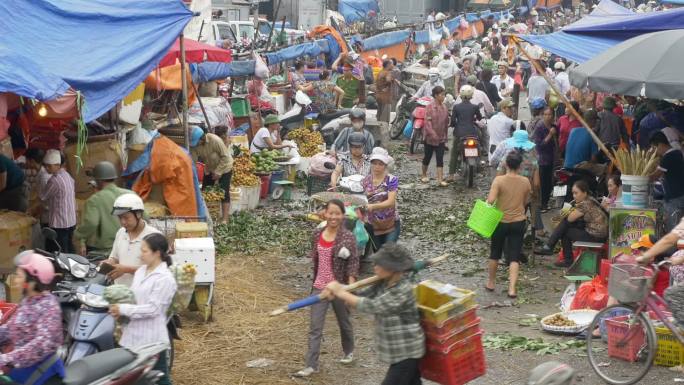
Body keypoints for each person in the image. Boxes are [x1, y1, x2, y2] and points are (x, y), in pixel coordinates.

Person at [322, 244, 425, 385]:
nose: (374, 266)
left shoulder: (404, 289)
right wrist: (339, 290)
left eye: (379, 264)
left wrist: (341, 293)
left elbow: (372, 306)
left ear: (393, 268)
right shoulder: (384, 282)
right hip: (396, 351)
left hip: (407, 352)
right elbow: (361, 295)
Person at [295, 199, 359, 378]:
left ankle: (349, 351)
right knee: (315, 327)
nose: (333, 217)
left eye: (337, 213)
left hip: (338, 287)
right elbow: (316, 260)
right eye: (330, 213)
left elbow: (353, 263)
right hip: (320, 287)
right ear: (325, 213)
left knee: (344, 322)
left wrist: (349, 289)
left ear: (343, 215)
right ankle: (311, 365)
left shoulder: (348, 237)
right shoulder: (317, 234)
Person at [109, 233, 177, 385]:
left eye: (144, 251)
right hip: (132, 337)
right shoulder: (140, 272)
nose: (141, 255)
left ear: (157, 253)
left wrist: (124, 309)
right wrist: (117, 308)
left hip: (152, 340)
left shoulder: (165, 278)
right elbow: (134, 298)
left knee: (160, 378)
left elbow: (154, 309)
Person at [0, 251, 64, 385]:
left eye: (18, 276)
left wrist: (6, 358)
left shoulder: (49, 306)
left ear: (32, 281)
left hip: (43, 375)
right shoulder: (28, 301)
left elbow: (40, 345)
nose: (15, 279)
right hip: (22, 371)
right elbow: (11, 328)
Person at [486, 151, 531, 297]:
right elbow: (526, 202)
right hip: (518, 222)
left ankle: (491, 283)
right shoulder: (525, 182)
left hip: (500, 221)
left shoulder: (498, 181)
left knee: (495, 253)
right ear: (519, 166)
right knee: (514, 256)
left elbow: (491, 200)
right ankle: (512, 289)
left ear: (506, 164)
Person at [537, 180, 608, 267]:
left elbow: (569, 219)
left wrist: (567, 208)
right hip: (598, 234)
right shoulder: (590, 199)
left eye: (576, 193)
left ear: (584, 193)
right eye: (573, 193)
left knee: (565, 229)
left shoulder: (585, 204)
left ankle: (559, 253)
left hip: (596, 236)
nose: (574, 196)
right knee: (565, 226)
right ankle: (550, 246)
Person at [73, 161, 133, 256]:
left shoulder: (94, 200)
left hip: (103, 251)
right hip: (129, 246)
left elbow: (91, 223)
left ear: (98, 180)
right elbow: (144, 217)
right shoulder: (130, 194)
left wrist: (77, 235)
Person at [105, 193, 161, 286]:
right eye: (120, 218)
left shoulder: (154, 236)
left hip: (143, 294)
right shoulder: (121, 232)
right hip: (121, 291)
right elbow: (115, 257)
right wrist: (109, 263)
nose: (123, 222)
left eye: (126, 218)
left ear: (138, 214)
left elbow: (158, 269)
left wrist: (126, 269)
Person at [190, 126, 234, 224]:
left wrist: (218, 172)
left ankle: (225, 218)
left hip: (225, 166)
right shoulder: (195, 146)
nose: (196, 144)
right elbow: (193, 161)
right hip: (209, 167)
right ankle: (208, 216)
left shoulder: (215, 140)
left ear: (203, 138)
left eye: (197, 142)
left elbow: (225, 158)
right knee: (206, 190)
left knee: (223, 192)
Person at [40, 150, 76, 253]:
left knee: (60, 252)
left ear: (57, 165)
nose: (47, 168)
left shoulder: (54, 180)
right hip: (71, 221)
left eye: (49, 166)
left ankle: (62, 269)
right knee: (68, 248)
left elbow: (43, 197)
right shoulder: (67, 175)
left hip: (59, 224)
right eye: (45, 165)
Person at [363, 148, 400, 249]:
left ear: (385, 165)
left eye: (381, 164)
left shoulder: (391, 180)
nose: (377, 167)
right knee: (378, 253)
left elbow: (391, 202)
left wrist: (372, 206)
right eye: (374, 163)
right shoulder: (365, 181)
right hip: (372, 224)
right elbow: (362, 199)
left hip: (391, 223)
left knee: (388, 250)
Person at [650, 131, 684, 231]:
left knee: (673, 228)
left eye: (654, 148)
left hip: (674, 198)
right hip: (680, 195)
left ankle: (674, 246)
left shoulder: (668, 157)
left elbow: (654, 176)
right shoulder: (677, 153)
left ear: (660, 145)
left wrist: (641, 178)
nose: (654, 151)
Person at [448, 85, 484, 181]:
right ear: (471, 96)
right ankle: (479, 168)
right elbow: (480, 118)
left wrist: (453, 125)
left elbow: (453, 121)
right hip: (472, 132)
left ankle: (451, 175)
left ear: (460, 95)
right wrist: (475, 118)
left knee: (454, 153)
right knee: (479, 146)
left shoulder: (456, 107)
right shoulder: (475, 107)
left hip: (459, 133)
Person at [421, 86, 449, 186]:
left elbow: (446, 123)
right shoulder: (429, 107)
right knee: (427, 157)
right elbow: (427, 123)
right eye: (442, 94)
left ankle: (440, 179)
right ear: (436, 96)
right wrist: (433, 134)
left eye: (444, 94)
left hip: (441, 138)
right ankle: (424, 175)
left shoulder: (445, 107)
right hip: (430, 138)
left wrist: (445, 137)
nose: (443, 96)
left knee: (440, 158)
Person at [531, 107, 557, 211]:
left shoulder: (554, 126)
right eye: (545, 114)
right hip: (541, 159)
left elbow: (556, 143)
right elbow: (539, 145)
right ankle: (541, 204)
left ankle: (545, 203)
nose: (547, 117)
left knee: (548, 182)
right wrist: (550, 135)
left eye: (549, 114)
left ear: (553, 116)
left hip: (550, 158)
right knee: (541, 183)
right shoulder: (540, 127)